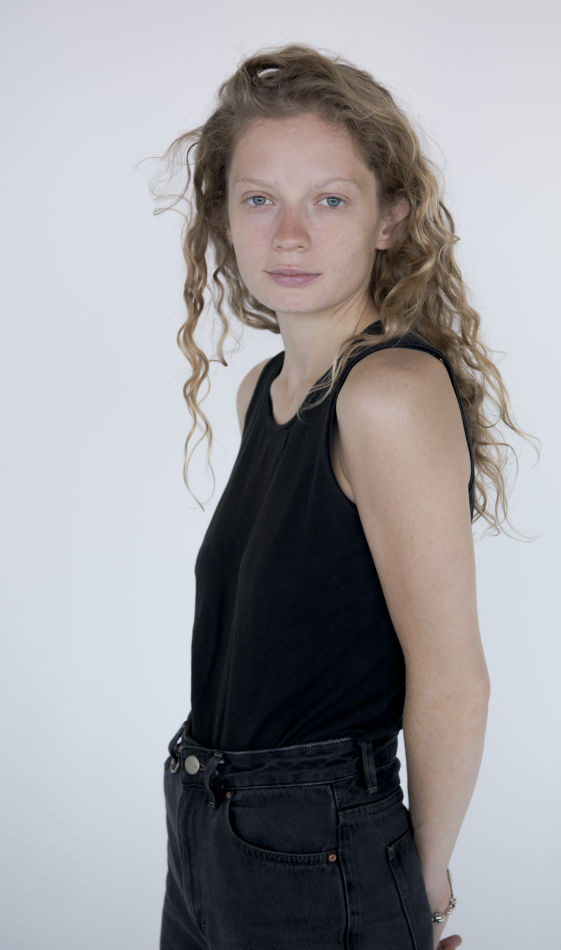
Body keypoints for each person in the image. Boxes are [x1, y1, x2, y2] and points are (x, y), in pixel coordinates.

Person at [151, 42, 536, 950]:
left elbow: (451, 679)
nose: (290, 235)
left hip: (317, 846)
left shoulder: (387, 394)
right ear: (223, 216)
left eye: (329, 200)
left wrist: (418, 890)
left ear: (389, 217)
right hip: (207, 821)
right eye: (259, 199)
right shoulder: (262, 391)